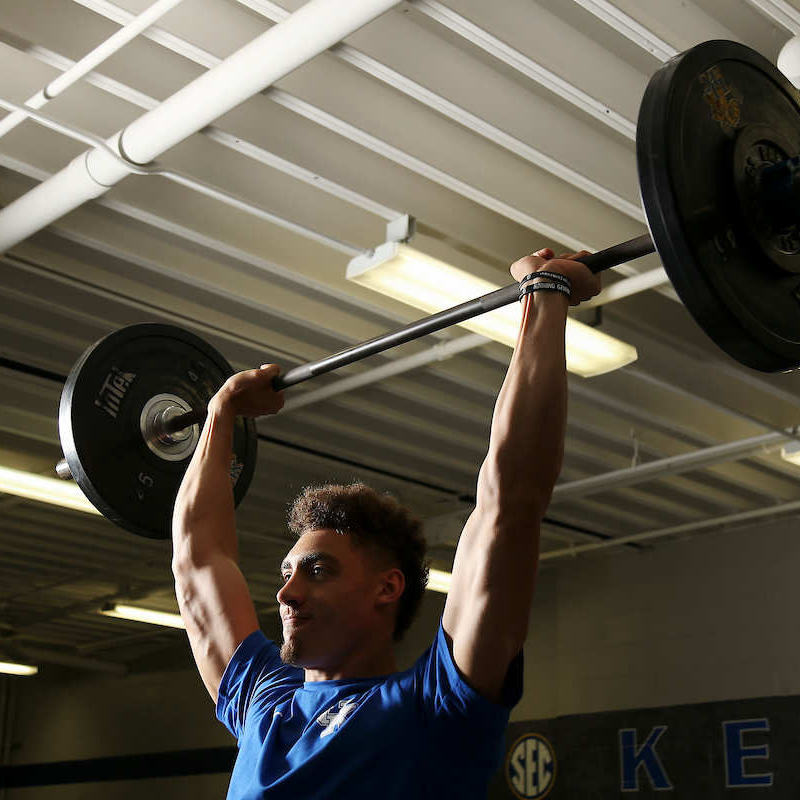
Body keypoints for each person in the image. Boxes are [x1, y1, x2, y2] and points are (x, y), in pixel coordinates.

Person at [172, 248, 601, 798]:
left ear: (387, 586)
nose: (287, 592)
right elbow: (197, 559)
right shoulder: (264, 704)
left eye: (318, 570)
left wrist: (545, 297)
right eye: (288, 572)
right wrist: (220, 415)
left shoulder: (435, 709)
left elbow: (509, 504)